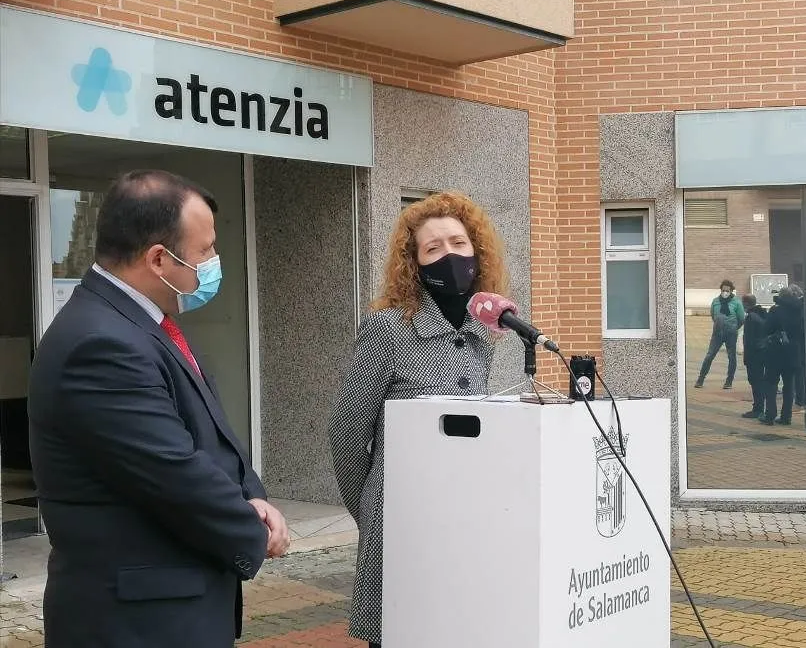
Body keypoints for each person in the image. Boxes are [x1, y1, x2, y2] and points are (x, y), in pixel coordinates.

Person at [28, 170, 289, 648]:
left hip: (166, 609)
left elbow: (207, 432)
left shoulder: (140, 323)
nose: (215, 261)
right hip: (138, 622)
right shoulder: (101, 343)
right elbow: (171, 470)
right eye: (206, 249)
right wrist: (251, 529)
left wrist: (254, 495)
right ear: (158, 259)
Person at [328, 192, 509, 648]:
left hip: (463, 520)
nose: (450, 255)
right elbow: (348, 431)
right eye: (433, 248)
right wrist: (372, 507)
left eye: (458, 242)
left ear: (476, 250)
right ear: (415, 263)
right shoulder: (389, 328)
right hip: (402, 521)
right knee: (402, 631)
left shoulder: (482, 333)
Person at [761, 286, 804, 426]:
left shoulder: (775, 310)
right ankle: (786, 416)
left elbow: (767, 328)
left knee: (771, 383)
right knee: (789, 385)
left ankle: (770, 415)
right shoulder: (800, 310)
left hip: (776, 352)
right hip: (793, 352)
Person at [695, 279, 745, 390]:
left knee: (731, 357)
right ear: (721, 290)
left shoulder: (736, 302)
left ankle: (729, 381)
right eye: (723, 290)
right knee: (709, 355)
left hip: (731, 333)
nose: (725, 292)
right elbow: (713, 315)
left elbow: (741, 318)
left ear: (731, 291)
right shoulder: (716, 301)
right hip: (717, 333)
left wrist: (733, 327)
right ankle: (701, 379)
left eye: (727, 290)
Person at [740, 294, 769, 419]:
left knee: (755, 381)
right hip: (762, 353)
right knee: (759, 381)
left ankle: (758, 408)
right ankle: (759, 406)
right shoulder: (762, 314)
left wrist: (747, 356)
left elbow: (750, 339)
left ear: (746, 304)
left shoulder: (751, 317)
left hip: (754, 355)